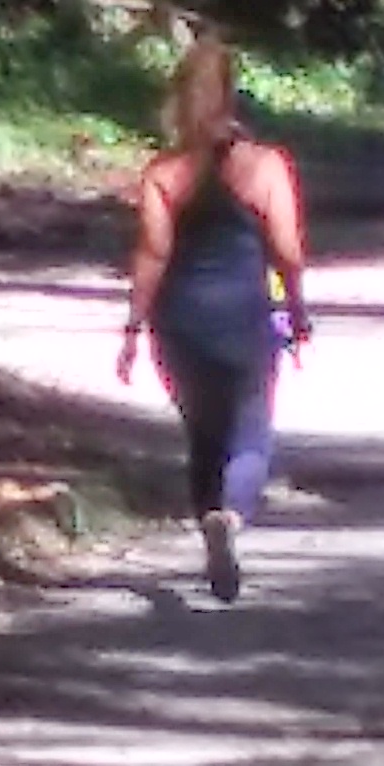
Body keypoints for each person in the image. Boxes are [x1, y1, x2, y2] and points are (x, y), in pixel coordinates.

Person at [115, 35, 311, 602]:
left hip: (178, 323)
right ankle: (230, 515)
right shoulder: (267, 166)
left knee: (202, 432)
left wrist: (132, 328)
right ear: (230, 94)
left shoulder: (163, 173)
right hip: (245, 317)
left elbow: (151, 255)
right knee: (250, 431)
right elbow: (287, 250)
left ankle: (208, 516)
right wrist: (296, 311)